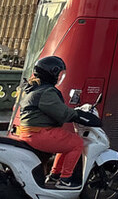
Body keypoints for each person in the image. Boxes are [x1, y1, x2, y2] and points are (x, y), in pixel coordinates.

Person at [15, 55, 96, 189]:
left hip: (28, 132)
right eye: (59, 74)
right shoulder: (46, 92)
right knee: (77, 143)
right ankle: (65, 180)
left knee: (65, 143)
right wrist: (79, 114)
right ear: (51, 73)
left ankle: (55, 175)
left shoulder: (34, 88)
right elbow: (62, 113)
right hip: (39, 133)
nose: (60, 77)